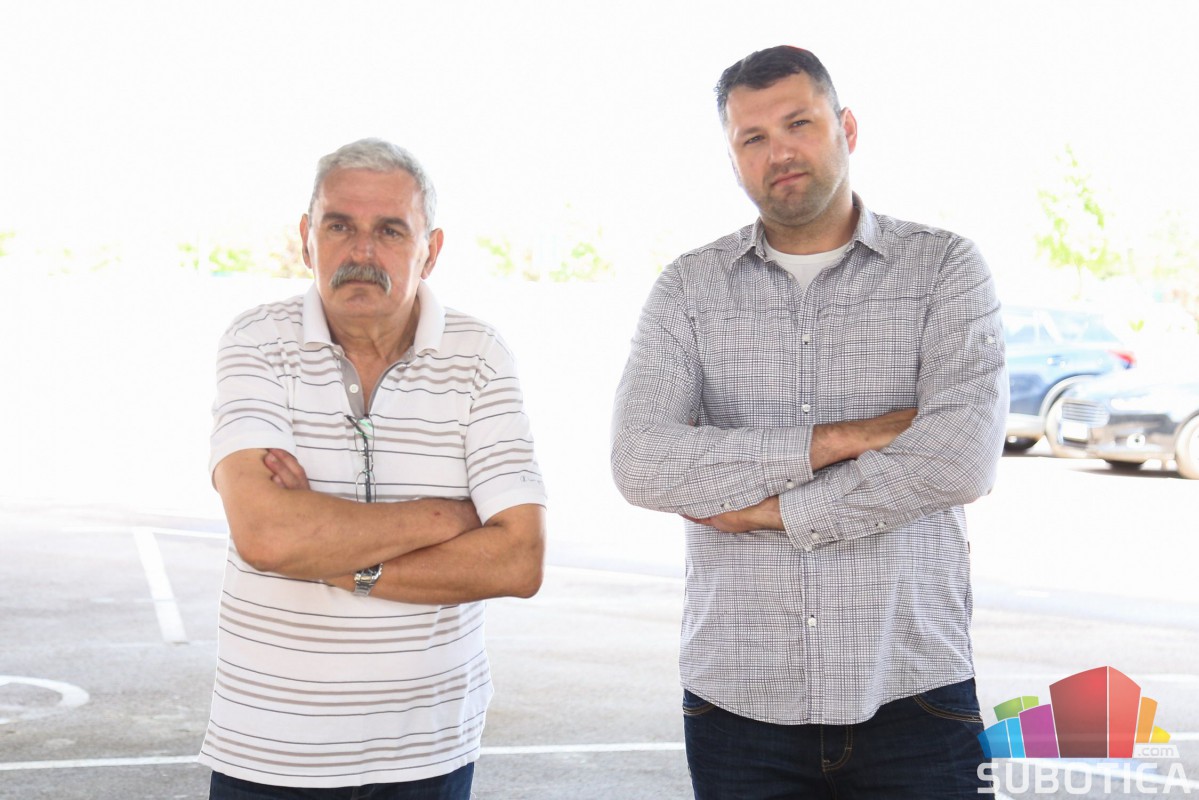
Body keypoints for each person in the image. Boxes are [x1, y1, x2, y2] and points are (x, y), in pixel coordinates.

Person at [611, 46, 1007, 798]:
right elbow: (641, 462)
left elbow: (958, 460)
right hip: (738, 701)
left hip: (913, 691)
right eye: (752, 137)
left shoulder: (944, 269)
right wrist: (847, 438)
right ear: (732, 158)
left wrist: (774, 512)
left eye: (799, 123)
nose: (779, 152)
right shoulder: (688, 289)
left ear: (846, 128)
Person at [199, 138, 547, 799]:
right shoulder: (257, 342)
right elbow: (267, 536)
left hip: (427, 756)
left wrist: (326, 556)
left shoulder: (479, 355)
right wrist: (446, 518)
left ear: (430, 250)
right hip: (271, 749)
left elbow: (517, 561)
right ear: (307, 240)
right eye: (339, 226)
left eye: (390, 230)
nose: (362, 252)